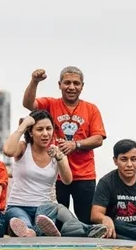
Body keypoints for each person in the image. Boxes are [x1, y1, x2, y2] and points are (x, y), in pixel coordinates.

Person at [22, 66, 105, 224]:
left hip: (84, 175)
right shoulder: (50, 104)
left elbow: (98, 138)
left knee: (86, 219)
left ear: (82, 86)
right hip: (55, 175)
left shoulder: (91, 109)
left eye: (76, 83)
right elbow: (28, 104)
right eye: (67, 83)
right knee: (55, 221)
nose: (71, 87)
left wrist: (76, 144)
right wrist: (34, 82)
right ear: (59, 84)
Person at [2, 111, 104, 238]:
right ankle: (31, 231)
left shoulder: (57, 151)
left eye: (48, 129)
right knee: (22, 220)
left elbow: (67, 180)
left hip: (45, 208)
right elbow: (7, 150)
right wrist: (24, 125)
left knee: (52, 211)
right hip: (19, 205)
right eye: (39, 129)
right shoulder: (23, 147)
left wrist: (60, 158)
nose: (45, 134)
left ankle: (87, 229)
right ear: (30, 132)